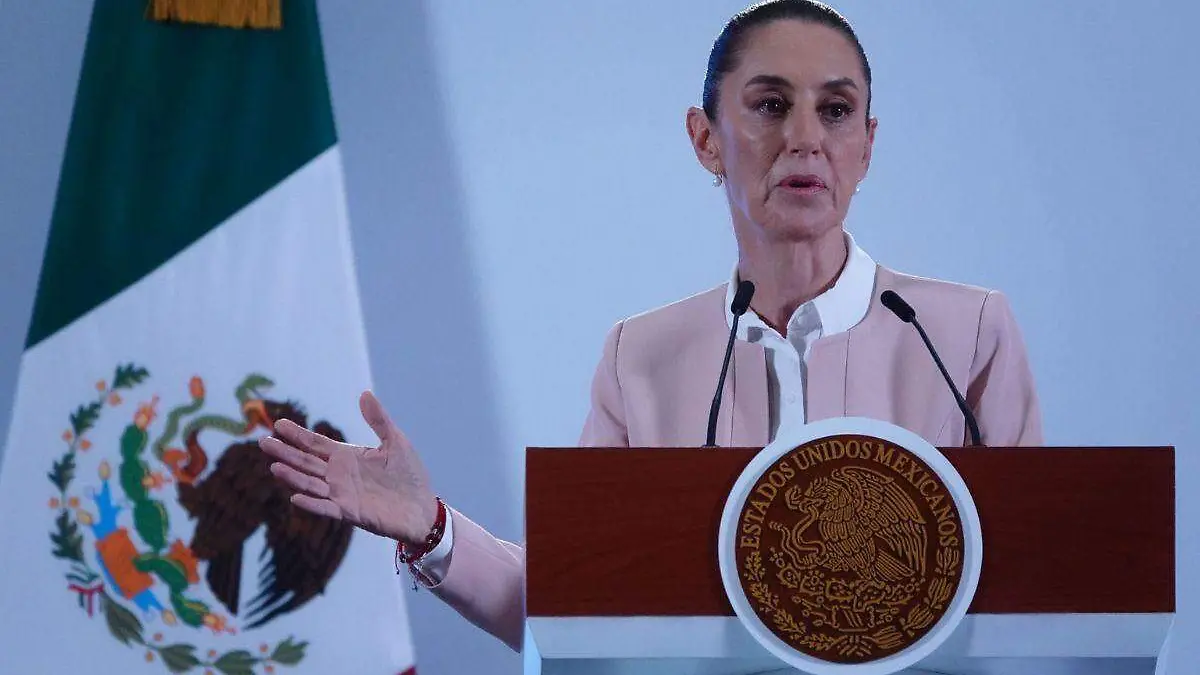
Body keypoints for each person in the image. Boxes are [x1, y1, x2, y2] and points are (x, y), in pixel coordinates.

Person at [259, 0, 1042, 655]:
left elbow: (1047, 597)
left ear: (866, 145)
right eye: (771, 105)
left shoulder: (964, 335)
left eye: (835, 111)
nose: (806, 136)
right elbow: (574, 611)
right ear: (705, 139)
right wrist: (432, 529)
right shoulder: (641, 358)